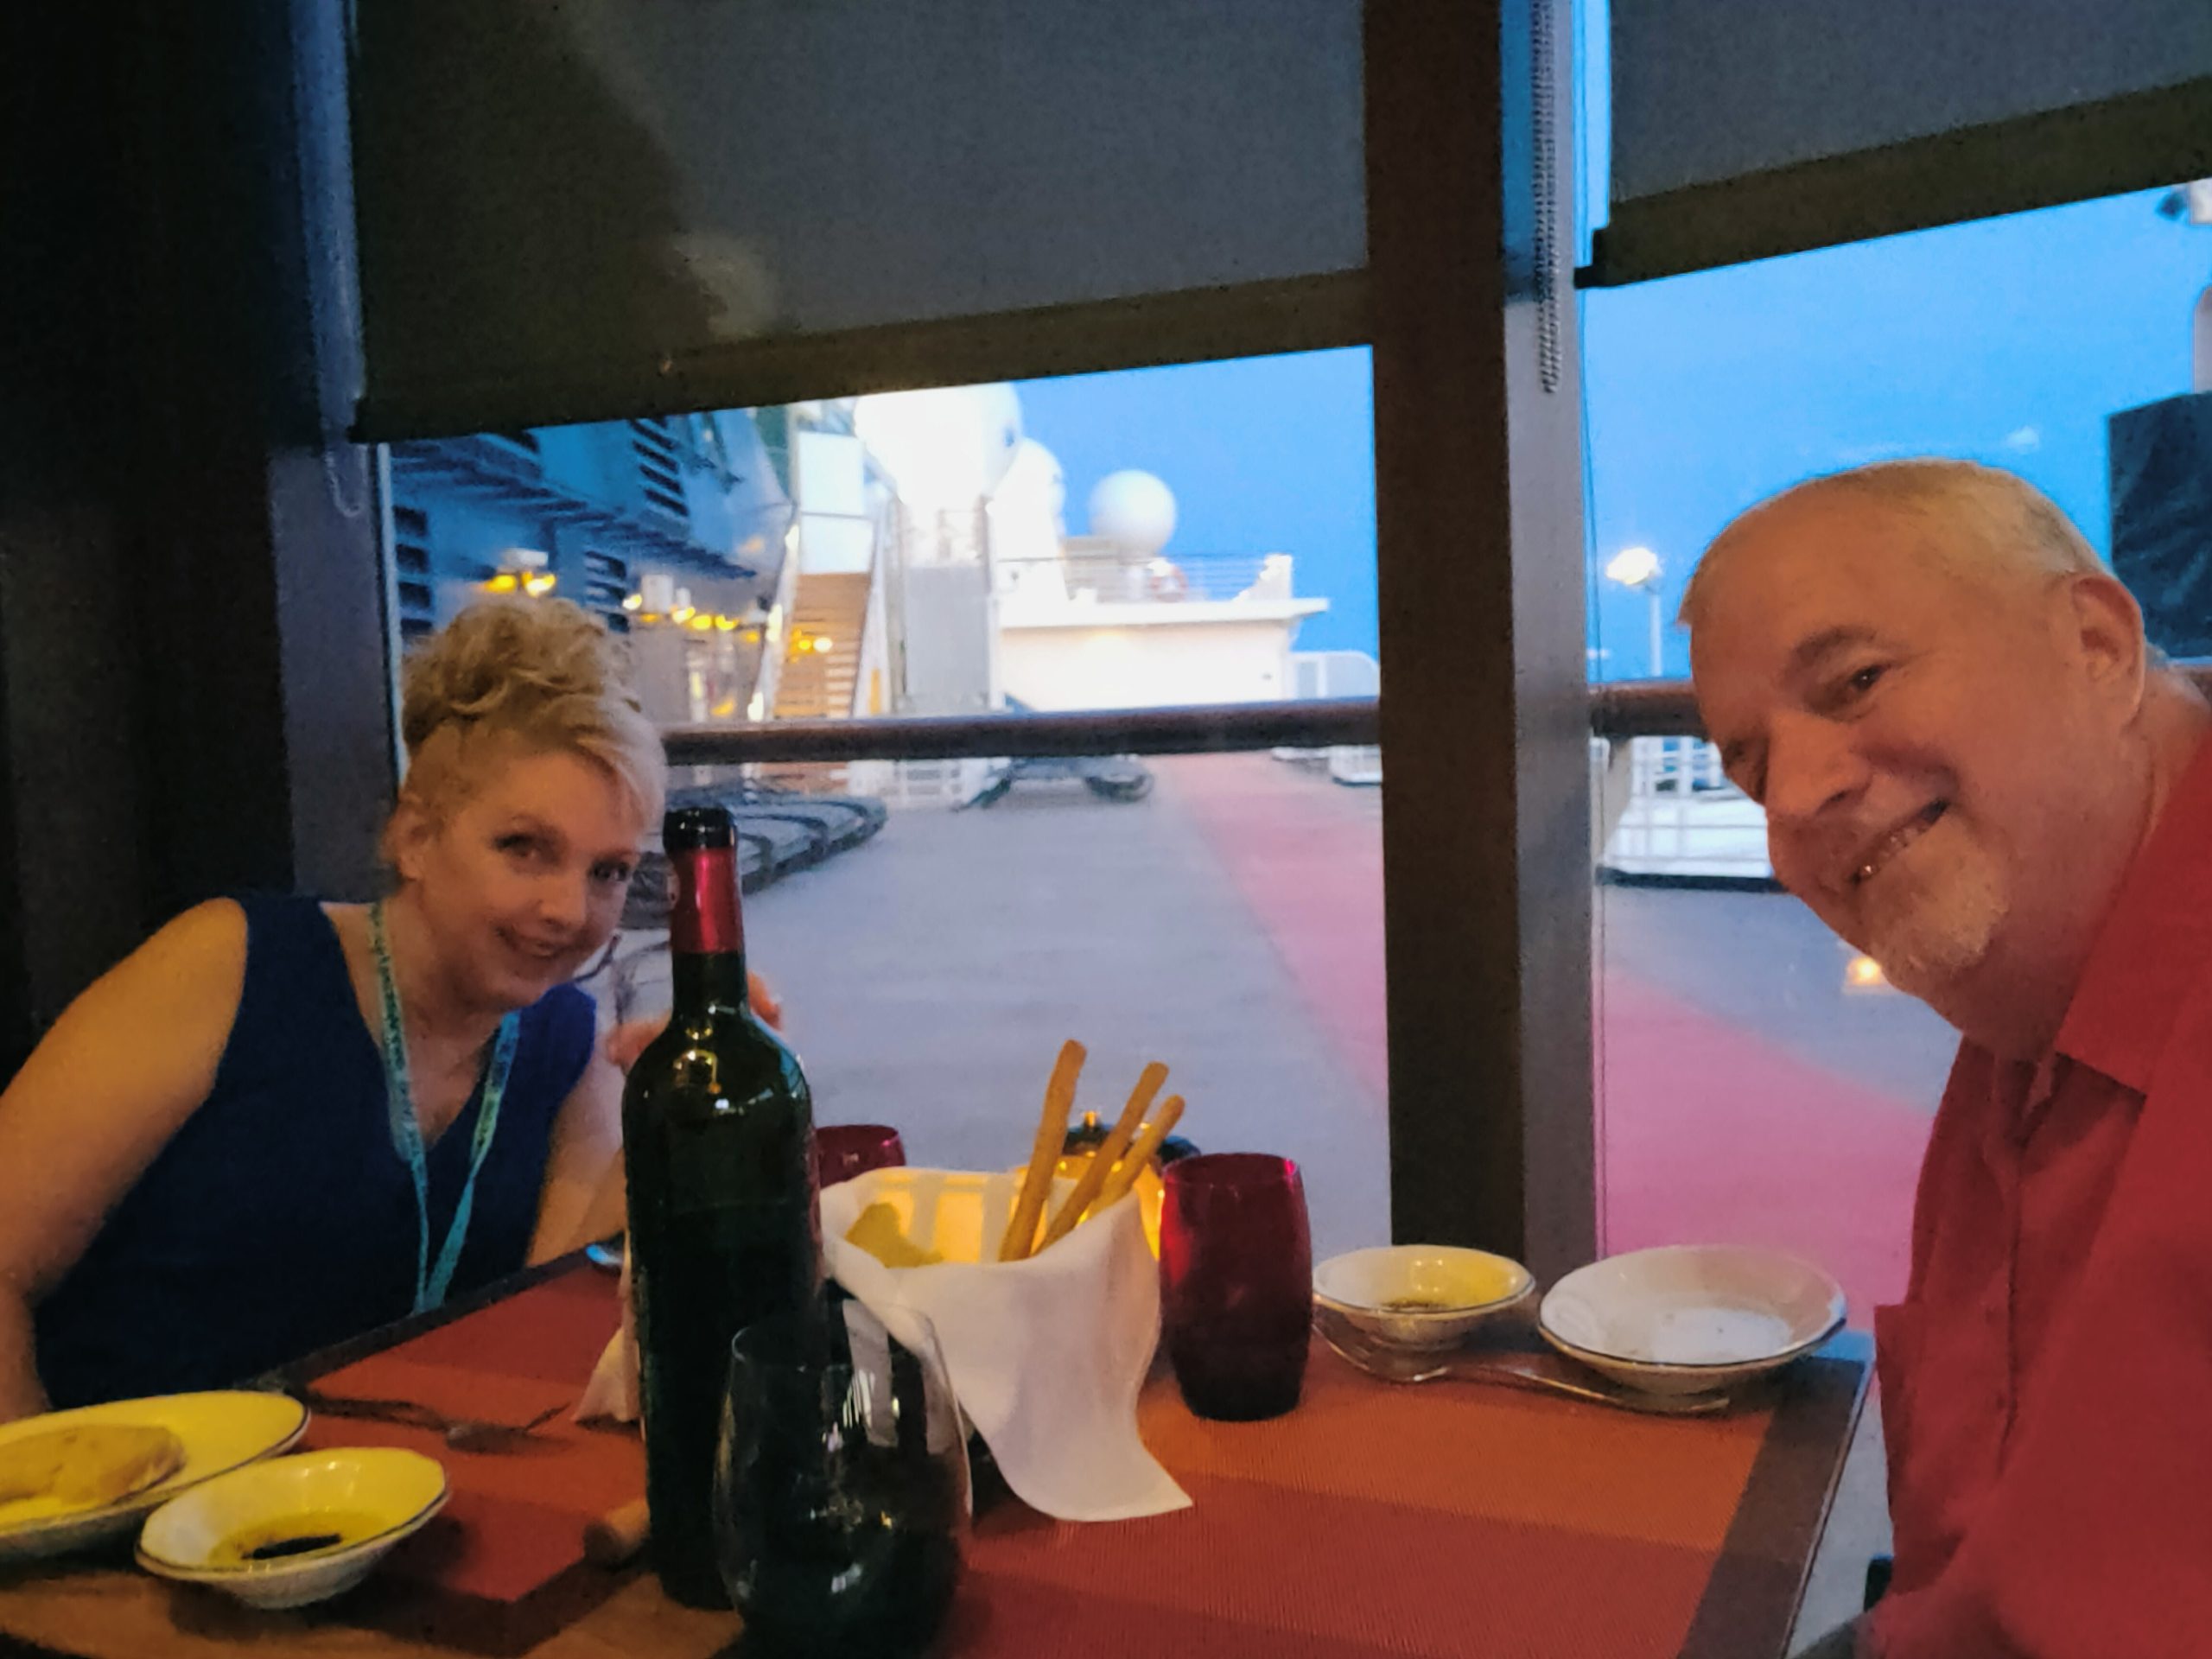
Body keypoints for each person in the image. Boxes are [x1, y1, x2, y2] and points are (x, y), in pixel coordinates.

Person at [1683, 459, 2212, 1657]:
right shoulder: (2027, 1019)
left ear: (2094, 644)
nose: (1796, 797)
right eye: (1752, 766)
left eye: (1856, 681)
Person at [0, 598, 669, 1421]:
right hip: (128, 1480)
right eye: (524, 848)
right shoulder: (233, 965)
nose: (568, 909)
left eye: (607, 871)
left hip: (382, 1488)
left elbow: (558, 1336)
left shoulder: (565, 1049)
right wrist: (38, 1492)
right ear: (415, 838)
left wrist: (672, 1127)